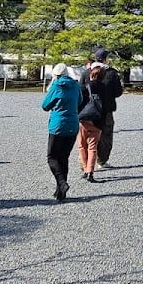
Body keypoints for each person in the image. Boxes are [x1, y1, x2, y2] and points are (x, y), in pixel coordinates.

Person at [41, 63, 81, 202]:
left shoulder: (56, 86)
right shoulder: (75, 85)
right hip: (73, 125)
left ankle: (62, 183)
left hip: (57, 126)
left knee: (52, 157)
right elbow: (80, 101)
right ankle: (61, 192)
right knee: (64, 157)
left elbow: (45, 105)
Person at [77, 62, 117, 183]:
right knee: (92, 147)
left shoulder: (85, 87)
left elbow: (79, 102)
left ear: (91, 75)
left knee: (82, 145)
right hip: (98, 120)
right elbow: (107, 105)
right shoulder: (105, 88)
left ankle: (84, 169)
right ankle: (90, 172)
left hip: (84, 118)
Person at [89, 48, 123, 167]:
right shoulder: (112, 73)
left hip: (90, 108)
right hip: (107, 108)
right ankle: (102, 160)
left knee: (90, 135)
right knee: (106, 136)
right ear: (105, 59)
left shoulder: (87, 71)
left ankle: (87, 163)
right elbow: (118, 92)